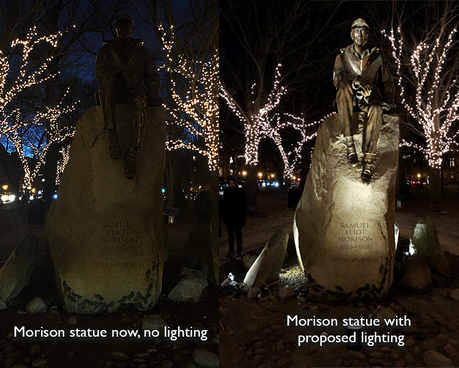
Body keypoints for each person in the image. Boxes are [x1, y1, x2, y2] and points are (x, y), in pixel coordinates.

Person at [95, 14, 161, 180]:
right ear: (116, 30)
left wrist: (153, 97)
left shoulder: (142, 52)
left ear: (132, 30)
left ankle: (132, 152)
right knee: (107, 80)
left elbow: (152, 76)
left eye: (127, 28)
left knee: (140, 101)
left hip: (134, 92)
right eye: (120, 28)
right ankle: (112, 135)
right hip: (113, 91)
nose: (123, 31)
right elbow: (100, 71)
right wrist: (121, 74)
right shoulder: (105, 51)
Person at [333, 18, 395, 184]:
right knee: (343, 86)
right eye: (356, 30)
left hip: (369, 97)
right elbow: (337, 78)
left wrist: (388, 99)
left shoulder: (377, 58)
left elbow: (387, 81)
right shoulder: (342, 57)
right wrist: (355, 82)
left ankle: (367, 162)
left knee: (376, 108)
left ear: (367, 35)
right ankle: (349, 144)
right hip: (349, 97)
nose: (360, 34)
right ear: (351, 34)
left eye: (363, 31)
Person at [221, 176, 247, 260]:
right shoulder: (227, 191)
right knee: (231, 235)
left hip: (238, 217)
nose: (231, 185)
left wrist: (243, 216)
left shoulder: (240, 191)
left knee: (238, 234)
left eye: (232, 183)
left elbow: (244, 204)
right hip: (229, 217)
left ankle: (239, 251)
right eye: (229, 183)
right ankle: (231, 251)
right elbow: (224, 205)